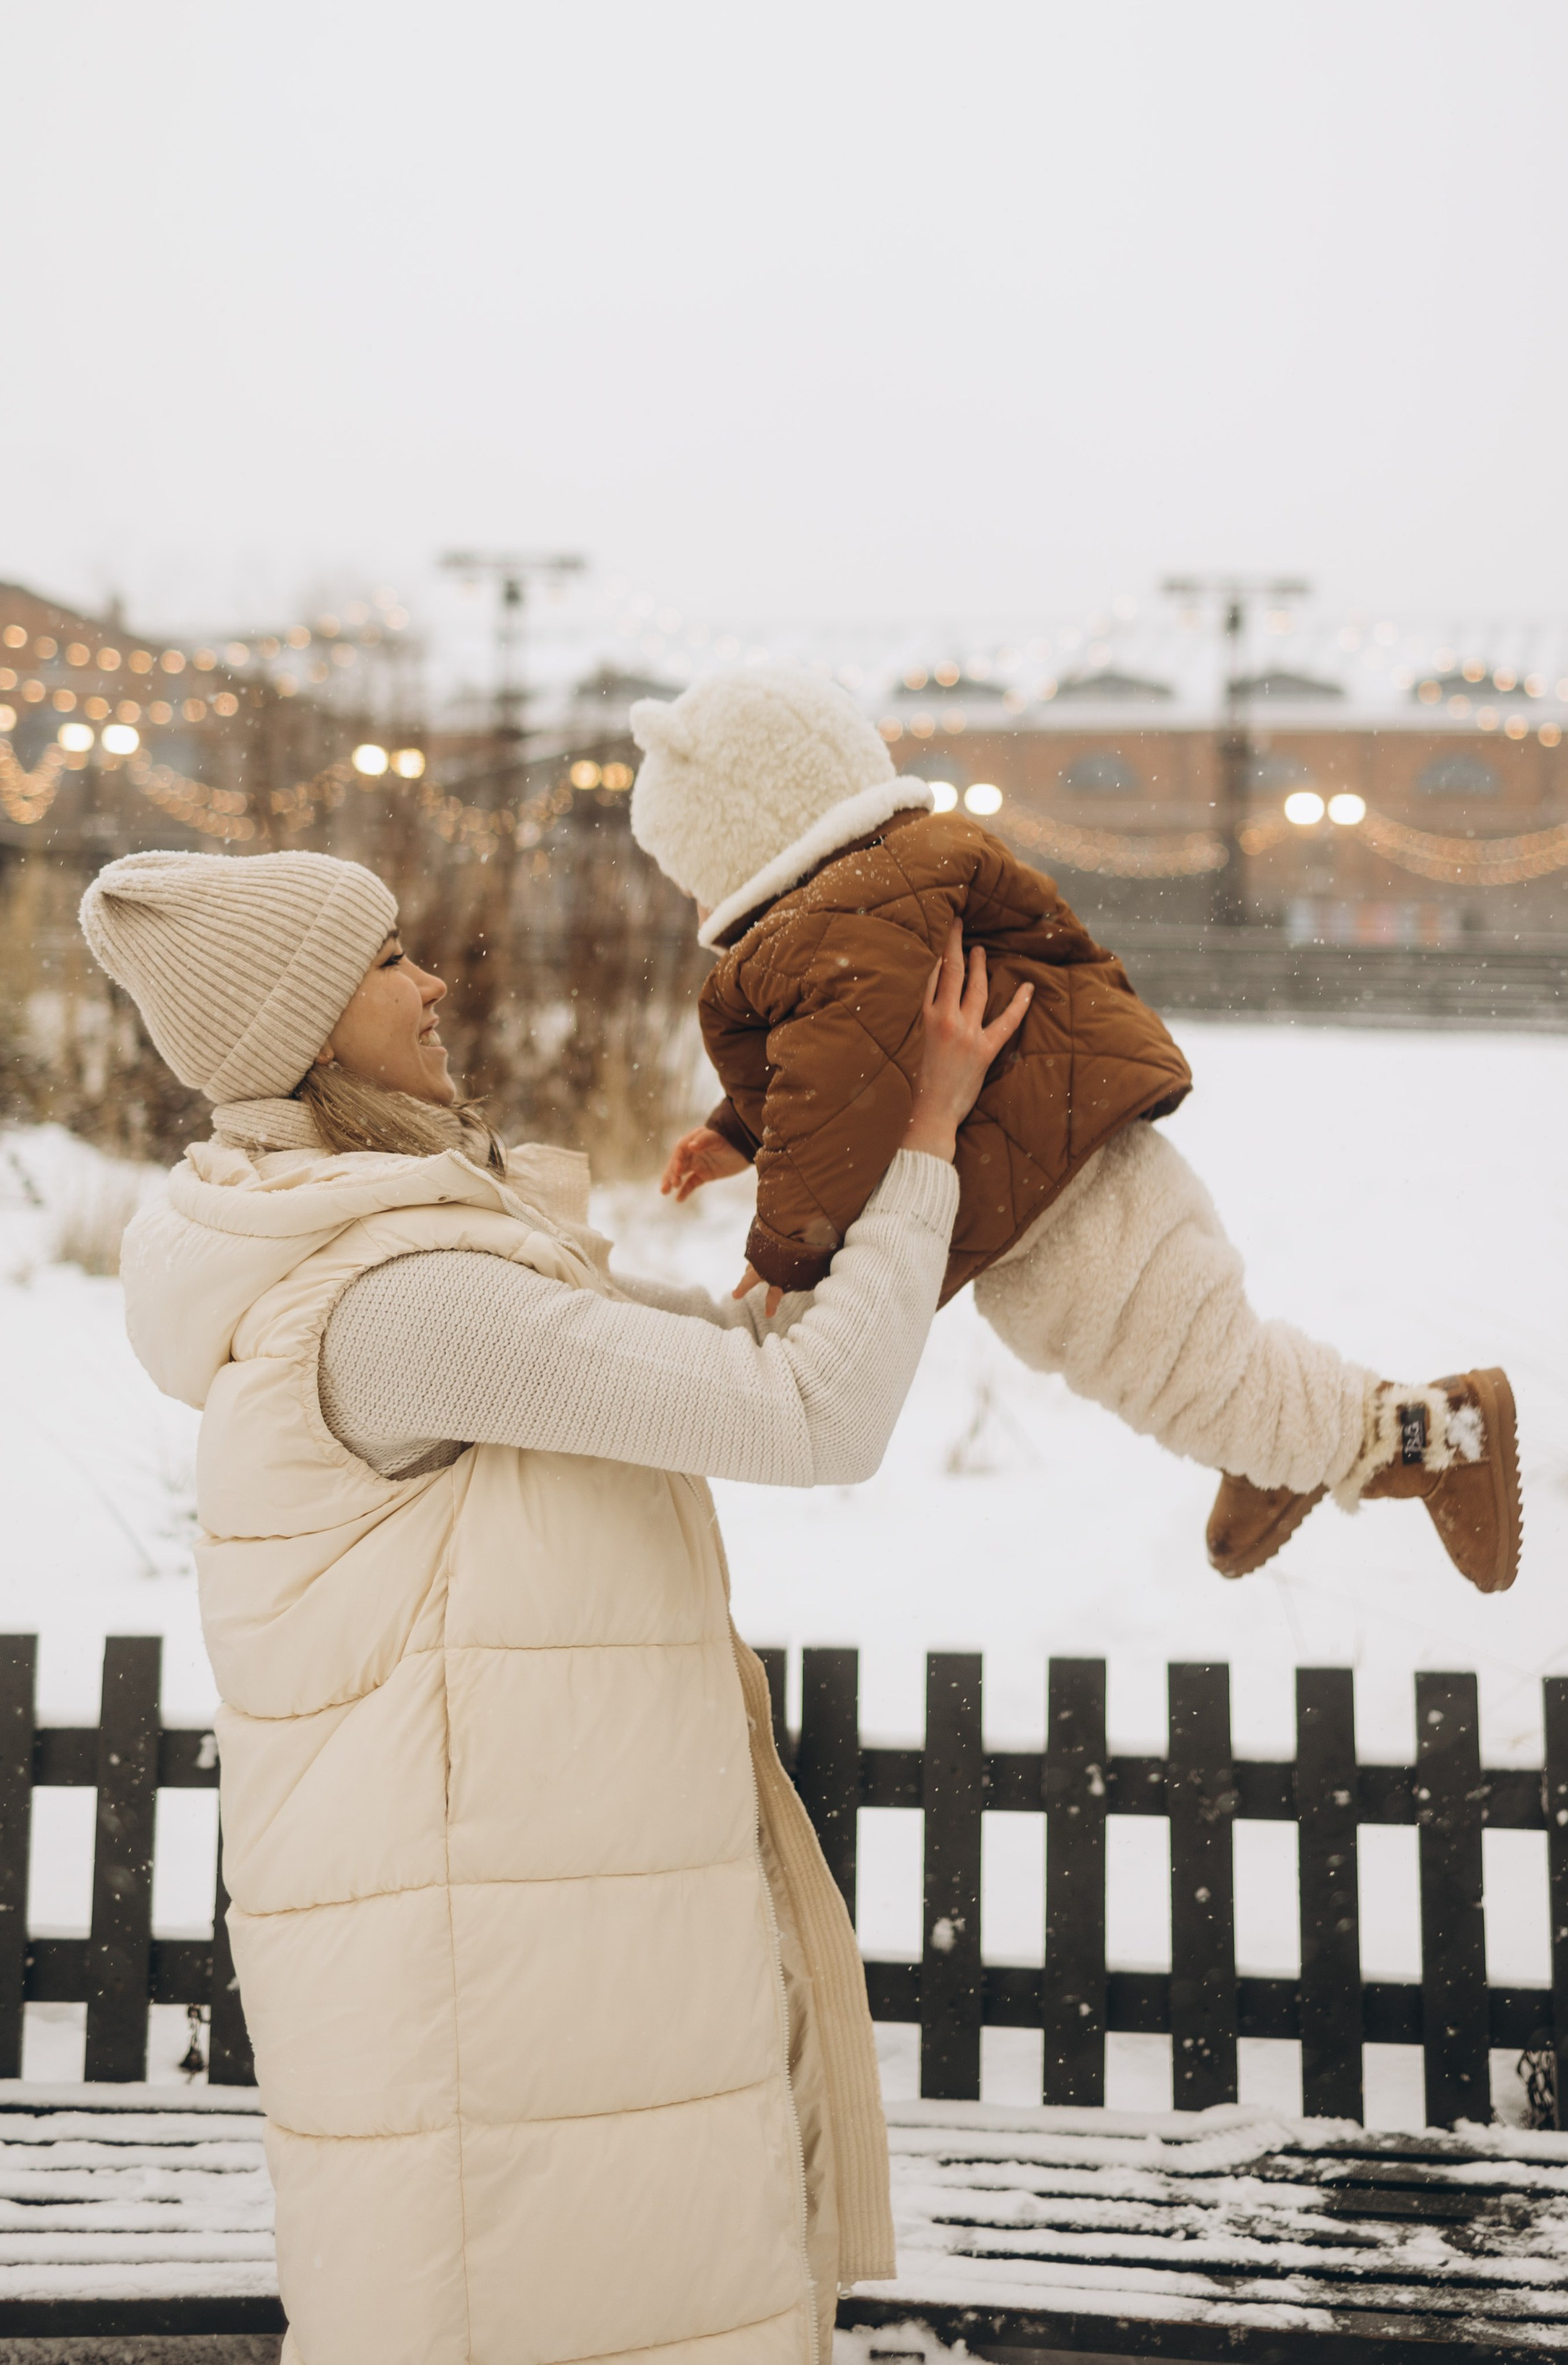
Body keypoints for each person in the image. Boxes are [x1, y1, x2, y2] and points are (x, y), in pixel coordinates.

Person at [80, 843, 1027, 2365]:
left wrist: (825, 1129)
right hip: (495, 2012)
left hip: (526, 1970)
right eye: (389, 958)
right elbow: (804, 1414)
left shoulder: (396, 1253)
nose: (433, 980)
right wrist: (924, 1134)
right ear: (312, 1022)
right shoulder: (404, 1302)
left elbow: (731, 1354)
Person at [628, 664, 1521, 1594]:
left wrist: (788, 1246)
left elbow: (840, 1081)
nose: (695, 902)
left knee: (1193, 1369)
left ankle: (1433, 1437)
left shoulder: (837, 923)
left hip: (1064, 1191)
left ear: (748, 841)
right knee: (1177, 1359)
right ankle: (1270, 1454)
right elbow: (851, 1057)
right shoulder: (885, 890)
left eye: (691, 872)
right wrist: (740, 1128)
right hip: (1058, 1166)